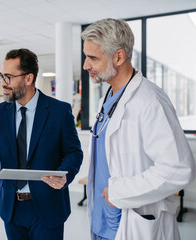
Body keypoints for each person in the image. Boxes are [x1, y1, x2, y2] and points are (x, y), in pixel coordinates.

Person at [82, 18, 195, 240]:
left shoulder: (150, 100)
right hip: (102, 221)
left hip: (130, 224)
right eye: (86, 57)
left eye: (93, 58)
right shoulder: (109, 97)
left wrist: (120, 192)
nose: (86, 65)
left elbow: (179, 167)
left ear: (119, 56)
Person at [0, 48, 83, 239]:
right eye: (1, 76)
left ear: (28, 78)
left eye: (9, 77)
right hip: (12, 207)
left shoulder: (59, 111)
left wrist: (64, 175)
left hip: (48, 205)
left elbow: (73, 152)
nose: (3, 83)